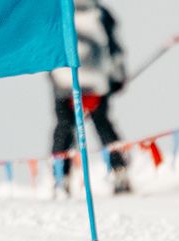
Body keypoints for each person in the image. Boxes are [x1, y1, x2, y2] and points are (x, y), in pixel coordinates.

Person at [49, 0, 130, 196]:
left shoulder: (55, 12)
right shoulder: (99, 12)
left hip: (64, 80)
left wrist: (52, 76)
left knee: (64, 129)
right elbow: (114, 47)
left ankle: (61, 176)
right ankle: (119, 171)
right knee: (103, 126)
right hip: (96, 80)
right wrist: (117, 77)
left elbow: (48, 49)